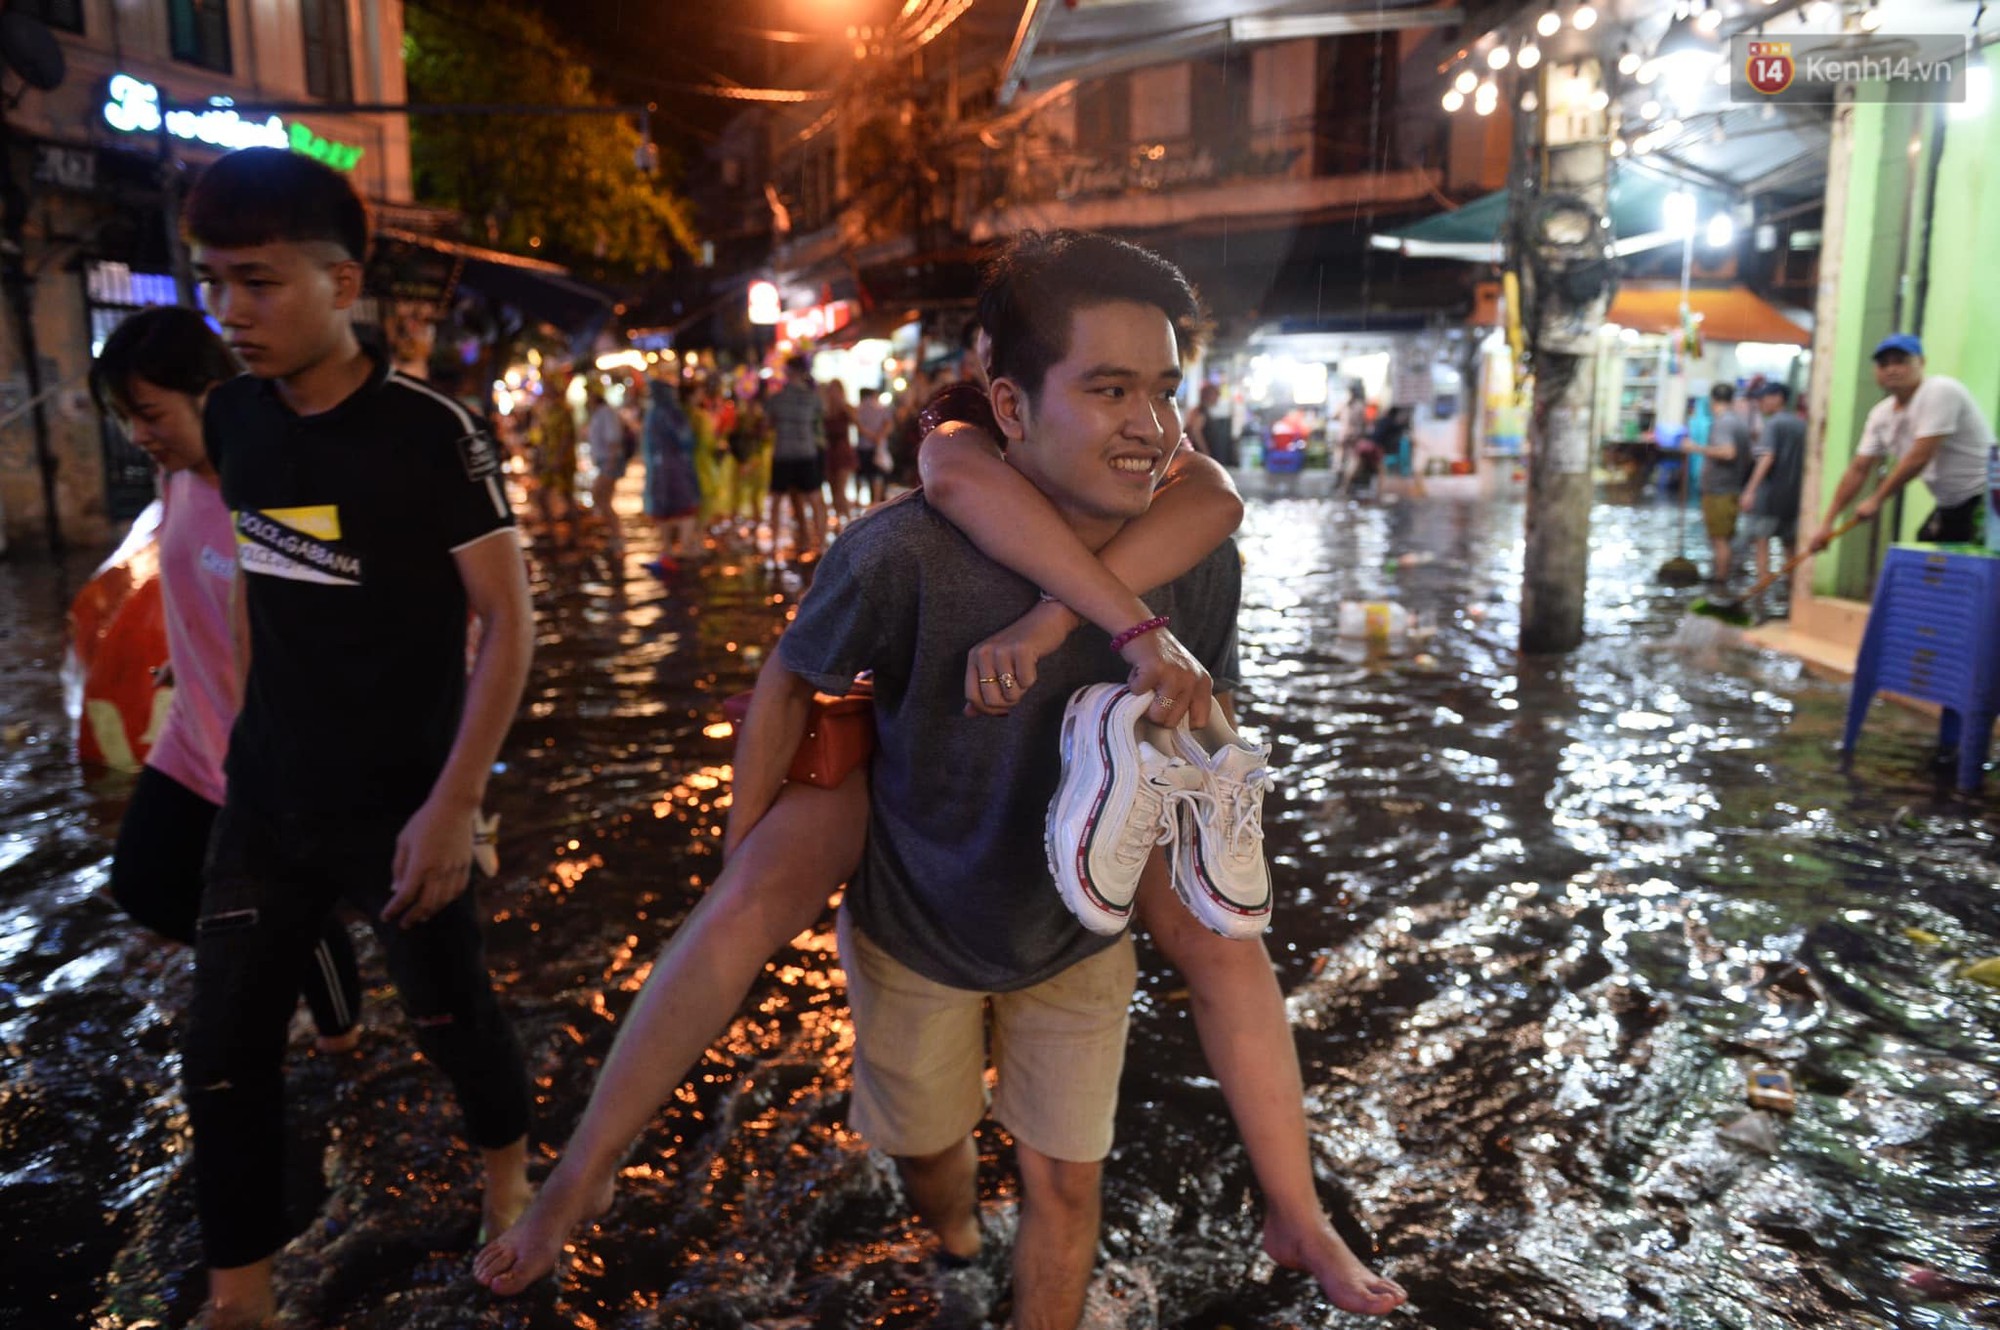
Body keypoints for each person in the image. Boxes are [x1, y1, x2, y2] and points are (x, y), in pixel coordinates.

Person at [476, 230, 1406, 1326]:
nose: (1149, 424)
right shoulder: (900, 553)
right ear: (1010, 409)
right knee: (927, 1156)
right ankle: (630, 1187)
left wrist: (1210, 822)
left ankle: (1287, 1208)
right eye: (1108, 389)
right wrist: (747, 859)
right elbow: (784, 683)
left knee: (1077, 1167)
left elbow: (1201, 682)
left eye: (1163, 390)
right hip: (917, 918)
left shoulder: (1199, 547)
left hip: (1075, 926)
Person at [179, 146, 537, 1330]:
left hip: (403, 800)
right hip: (268, 795)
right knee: (222, 1048)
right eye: (211, 281)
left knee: (449, 1017)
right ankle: (242, 1297)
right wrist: (231, 727)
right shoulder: (232, 417)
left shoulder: (432, 433)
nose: (230, 311)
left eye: (259, 281)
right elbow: (259, 584)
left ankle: (507, 1181)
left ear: (343, 281)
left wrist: (454, 804)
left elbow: (508, 624)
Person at [94, 306, 364, 1058]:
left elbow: (330, 633)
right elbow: (197, 587)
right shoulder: (173, 475)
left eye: (149, 413)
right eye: (124, 418)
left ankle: (343, 1046)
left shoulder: (283, 499)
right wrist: (188, 655)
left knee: (290, 922)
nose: (138, 434)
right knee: (143, 881)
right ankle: (272, 950)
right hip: (193, 733)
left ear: (211, 394)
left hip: (265, 759)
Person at [1810, 333, 1997, 551]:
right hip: (1951, 504)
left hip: (1989, 499)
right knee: (1929, 562)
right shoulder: (1881, 414)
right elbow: (1859, 468)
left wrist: (1876, 499)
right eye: (1883, 364)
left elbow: (1919, 457)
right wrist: (1826, 524)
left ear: (1921, 362)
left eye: (1900, 361)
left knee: (1975, 569)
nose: (1891, 369)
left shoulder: (1941, 390)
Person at [1739, 382, 1806, 598]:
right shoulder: (1801, 425)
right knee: (1790, 549)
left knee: (1761, 546)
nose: (1761, 403)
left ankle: (1760, 597)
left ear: (1779, 398)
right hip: (1793, 498)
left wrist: (1750, 490)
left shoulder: (1773, 424)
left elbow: (1767, 457)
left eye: (1764, 397)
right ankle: (1795, 597)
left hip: (1769, 498)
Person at [1684, 383, 1750, 584]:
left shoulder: (1724, 422)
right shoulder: (1738, 422)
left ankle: (1720, 581)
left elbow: (1728, 452)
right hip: (1729, 487)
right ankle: (1722, 575)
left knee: (1719, 539)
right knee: (1724, 537)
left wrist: (1696, 448)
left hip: (1720, 489)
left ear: (1712, 401)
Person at [764, 356, 826, 558]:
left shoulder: (776, 399)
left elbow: (767, 425)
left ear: (789, 371)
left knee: (777, 499)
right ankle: (821, 544)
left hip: (783, 453)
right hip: (806, 451)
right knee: (815, 498)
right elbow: (819, 422)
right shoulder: (813, 398)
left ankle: (774, 546)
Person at [640, 374, 700, 575]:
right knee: (680, 510)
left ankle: (671, 552)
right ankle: (679, 552)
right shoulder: (670, 414)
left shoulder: (656, 414)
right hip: (673, 469)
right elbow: (686, 440)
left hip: (664, 471)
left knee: (671, 511)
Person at [586, 380, 630, 563]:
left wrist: (611, 462)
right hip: (605, 461)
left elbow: (613, 438)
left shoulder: (606, 413)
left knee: (600, 497)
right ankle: (615, 537)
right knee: (603, 499)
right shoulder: (599, 413)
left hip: (609, 462)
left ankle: (618, 537)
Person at [821, 378, 859, 526]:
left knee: (840, 492)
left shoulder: (846, 408)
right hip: (829, 453)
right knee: (832, 490)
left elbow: (857, 424)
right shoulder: (824, 409)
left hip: (843, 451)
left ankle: (848, 523)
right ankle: (838, 523)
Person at [855, 386, 895, 505]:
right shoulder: (881, 408)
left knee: (862, 473)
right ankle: (876, 502)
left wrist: (870, 436)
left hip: (863, 446)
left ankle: (858, 500)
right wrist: (879, 437)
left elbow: (859, 427)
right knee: (876, 474)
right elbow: (889, 424)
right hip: (878, 446)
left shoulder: (858, 409)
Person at [1185, 381, 1239, 468]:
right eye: (1216, 395)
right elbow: (1196, 433)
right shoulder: (1200, 412)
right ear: (1209, 396)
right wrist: (1206, 453)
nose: (1217, 398)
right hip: (1200, 457)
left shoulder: (1201, 411)